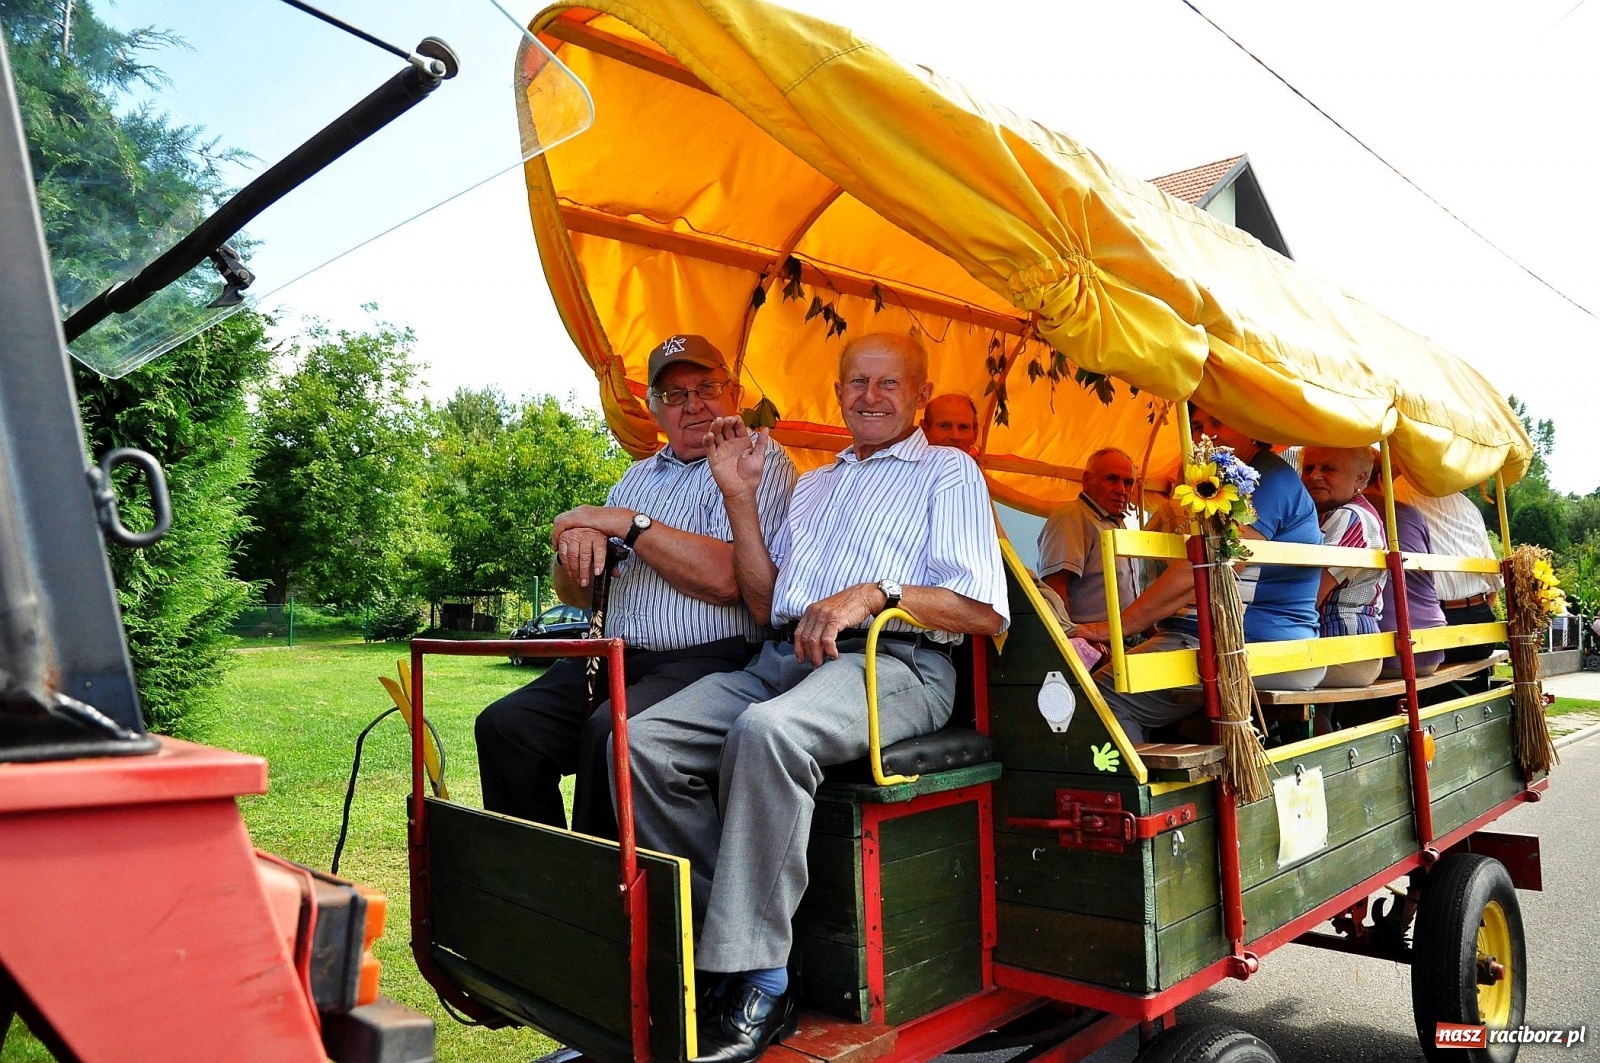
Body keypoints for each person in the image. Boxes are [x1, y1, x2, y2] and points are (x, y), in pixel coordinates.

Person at [621, 332, 1008, 1063]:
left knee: (768, 732)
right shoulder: (819, 483)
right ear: (837, 392)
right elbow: (769, 604)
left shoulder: (947, 470)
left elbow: (981, 610)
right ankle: (720, 936)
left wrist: (875, 592)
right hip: (790, 654)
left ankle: (759, 975)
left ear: (920, 394)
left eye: (888, 383)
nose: (869, 395)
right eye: (856, 381)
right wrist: (738, 498)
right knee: (639, 739)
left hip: (900, 661)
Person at [474, 335, 796, 838]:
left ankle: (609, 898)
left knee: (611, 732)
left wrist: (628, 523)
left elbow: (730, 582)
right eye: (673, 395)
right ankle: (541, 890)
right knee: (507, 726)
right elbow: (576, 595)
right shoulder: (635, 477)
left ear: (733, 392)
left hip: (712, 658)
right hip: (613, 655)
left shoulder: (759, 460)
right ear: (653, 409)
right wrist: (574, 544)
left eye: (706, 386)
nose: (692, 404)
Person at [1073, 408, 1324, 742]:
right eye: (1197, 426)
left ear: (1250, 426)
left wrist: (1108, 630)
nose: (1207, 435)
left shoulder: (1267, 479)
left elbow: (1205, 570)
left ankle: (1140, 789)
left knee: (1098, 695)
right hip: (1227, 639)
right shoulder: (1242, 480)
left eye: (1218, 422)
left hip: (1250, 644)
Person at [1300, 446, 1388, 688]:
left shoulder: (1349, 517)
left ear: (1360, 478)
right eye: (1309, 468)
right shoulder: (1333, 513)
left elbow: (1309, 596)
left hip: (1344, 651)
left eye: (1328, 468)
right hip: (1344, 649)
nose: (1314, 476)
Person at [1392, 483, 1503, 662]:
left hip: (1430, 623)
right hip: (1479, 625)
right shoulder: (1469, 507)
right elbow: (1495, 583)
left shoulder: (1397, 492)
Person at [1035, 447, 1137, 628]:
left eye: (1128, 482)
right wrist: (1076, 643)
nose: (1121, 490)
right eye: (1112, 479)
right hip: (1094, 645)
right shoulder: (1071, 517)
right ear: (1087, 480)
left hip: (1123, 640)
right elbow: (1055, 588)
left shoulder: (1116, 521)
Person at [1363, 473, 1447, 678]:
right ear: (1383, 479)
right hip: (1431, 647)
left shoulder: (1345, 514)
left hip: (1385, 654)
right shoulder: (1412, 514)